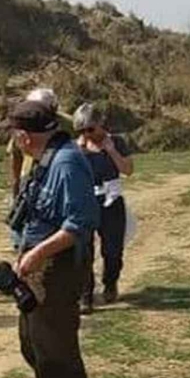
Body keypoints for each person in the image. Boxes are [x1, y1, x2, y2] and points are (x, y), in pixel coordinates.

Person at [4, 99, 99, 378]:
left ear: (26, 136)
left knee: (57, 343)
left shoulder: (68, 163)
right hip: (37, 263)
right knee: (32, 340)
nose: (14, 139)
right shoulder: (44, 159)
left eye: (15, 133)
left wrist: (37, 253)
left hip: (58, 267)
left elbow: (79, 224)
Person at [73, 102, 135, 311]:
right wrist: (80, 151)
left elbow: (128, 170)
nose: (87, 134)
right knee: (83, 251)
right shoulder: (77, 148)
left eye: (91, 129)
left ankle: (110, 282)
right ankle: (85, 295)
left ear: (101, 124)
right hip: (86, 201)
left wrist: (111, 151)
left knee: (112, 250)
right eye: (82, 130)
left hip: (111, 200)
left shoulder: (116, 142)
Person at [8, 86, 70, 203]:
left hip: (56, 177)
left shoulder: (69, 125)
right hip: (28, 177)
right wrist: (15, 186)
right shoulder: (24, 122)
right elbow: (15, 154)